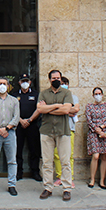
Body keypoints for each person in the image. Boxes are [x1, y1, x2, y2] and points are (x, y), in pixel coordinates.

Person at [37, 69, 74, 201]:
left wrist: (50, 108)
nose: (56, 80)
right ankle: (48, 187)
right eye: (53, 78)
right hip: (46, 131)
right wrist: (58, 106)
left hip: (62, 131)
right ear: (49, 80)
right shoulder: (43, 93)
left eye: (58, 78)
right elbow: (40, 109)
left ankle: (67, 188)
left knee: (65, 162)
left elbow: (66, 109)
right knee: (47, 162)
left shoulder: (66, 93)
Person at [12, 73, 41, 182]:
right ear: (19, 82)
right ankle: (18, 172)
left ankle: (35, 171)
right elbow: (12, 110)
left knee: (34, 149)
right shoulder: (14, 95)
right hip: (18, 125)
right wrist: (20, 120)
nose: (25, 83)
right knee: (18, 149)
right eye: (22, 81)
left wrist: (29, 120)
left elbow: (39, 109)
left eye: (27, 81)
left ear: (30, 82)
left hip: (32, 125)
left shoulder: (36, 94)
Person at [53, 76, 80, 187]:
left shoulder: (73, 97)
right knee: (57, 154)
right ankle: (60, 176)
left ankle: (69, 178)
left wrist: (62, 110)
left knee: (69, 154)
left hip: (69, 129)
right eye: (61, 83)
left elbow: (75, 110)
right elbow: (52, 110)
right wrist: (66, 110)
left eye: (65, 83)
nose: (63, 84)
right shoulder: (55, 97)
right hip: (56, 128)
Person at [85, 86, 106, 189]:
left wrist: (102, 128)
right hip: (93, 132)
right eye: (96, 94)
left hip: (105, 132)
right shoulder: (89, 106)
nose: (98, 96)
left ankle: (102, 181)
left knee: (104, 157)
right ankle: (92, 179)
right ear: (93, 96)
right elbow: (89, 119)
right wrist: (97, 130)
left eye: (99, 93)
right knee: (95, 156)